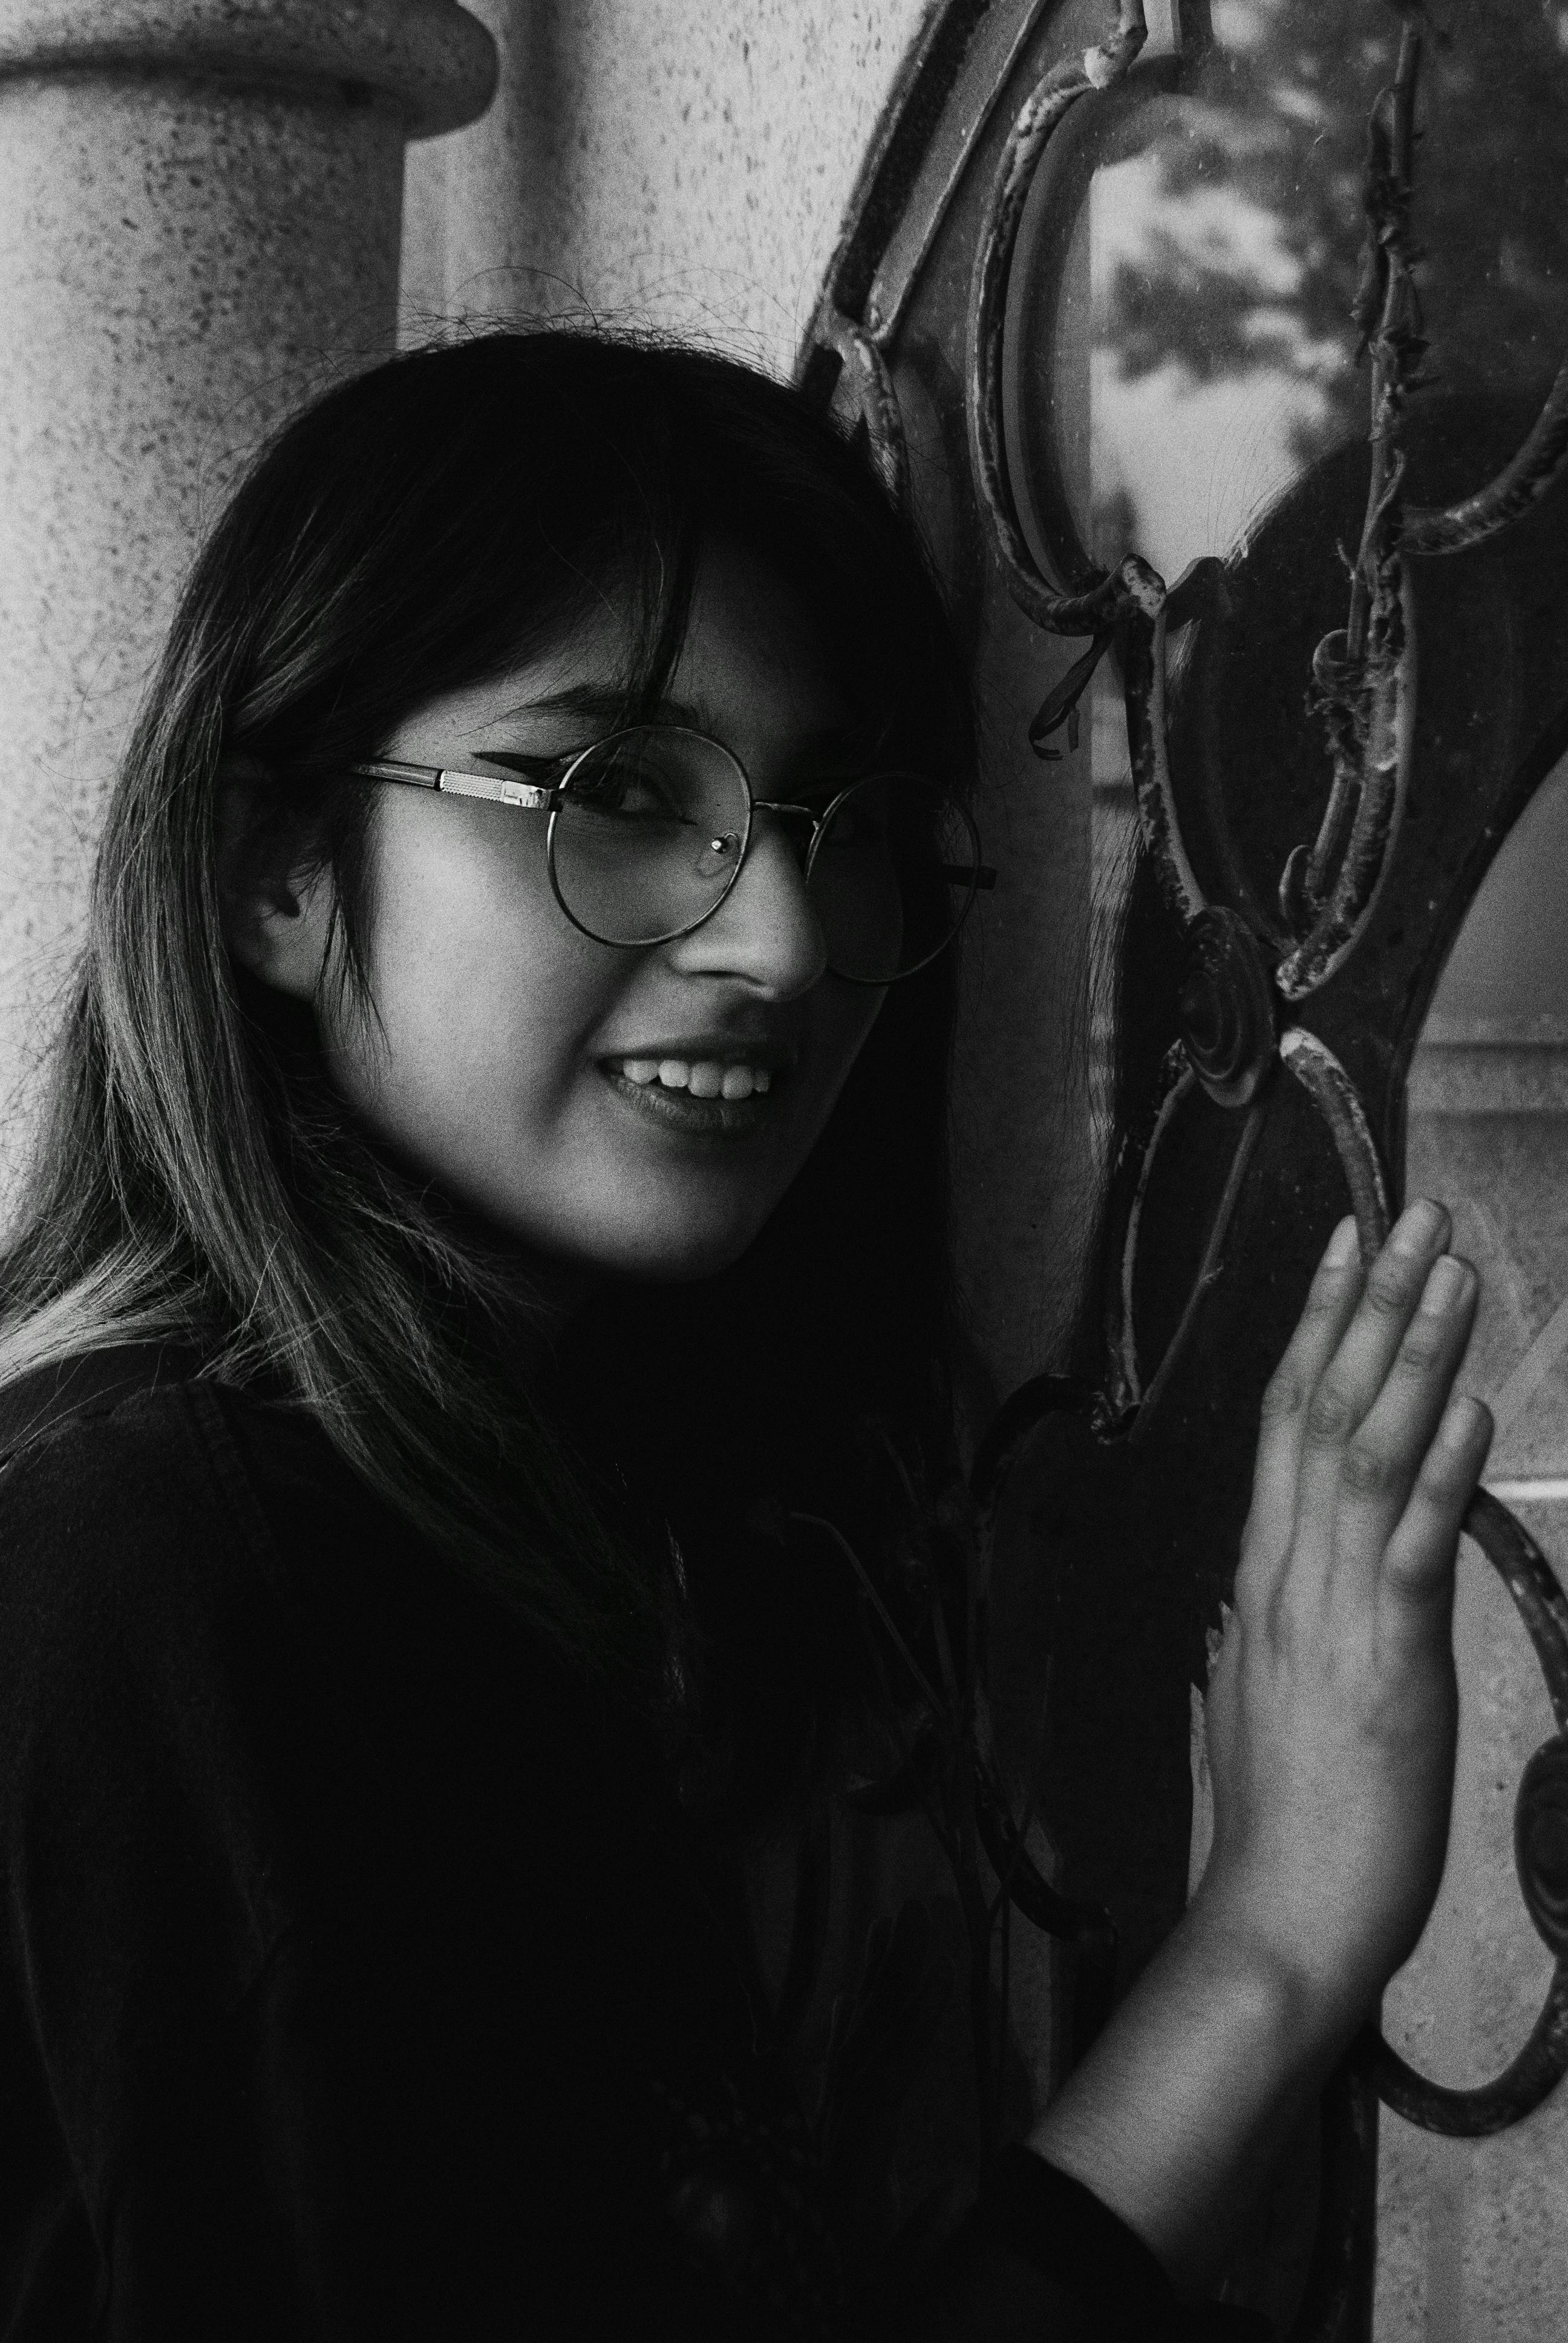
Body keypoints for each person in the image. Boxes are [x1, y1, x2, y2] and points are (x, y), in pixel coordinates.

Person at [0, 331, 1490, 2341]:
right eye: (615, 790)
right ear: (277, 861)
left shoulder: (515, 1535)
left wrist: (1281, 1936)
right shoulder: (165, 1576)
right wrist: (1276, 1954)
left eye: (838, 819)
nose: (783, 942)